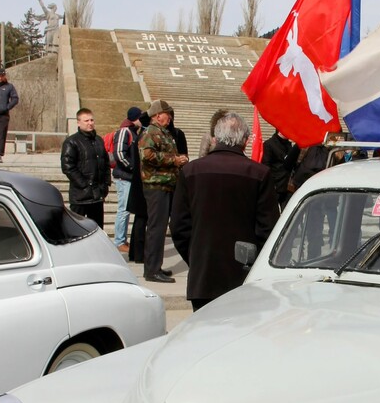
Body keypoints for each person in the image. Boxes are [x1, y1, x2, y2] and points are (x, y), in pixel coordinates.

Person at [171, 111, 279, 310]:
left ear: (216, 138)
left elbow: (179, 226)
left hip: (204, 274)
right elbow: (268, 229)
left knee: (204, 327)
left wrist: (197, 257)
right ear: (245, 141)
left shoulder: (191, 171)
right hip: (243, 274)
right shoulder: (259, 173)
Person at [139, 99, 188, 283]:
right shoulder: (150, 132)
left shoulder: (163, 133)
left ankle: (155, 266)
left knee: (160, 229)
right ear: (157, 115)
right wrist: (174, 160)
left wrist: (179, 159)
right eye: (167, 114)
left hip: (166, 184)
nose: (170, 117)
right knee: (156, 229)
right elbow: (147, 155)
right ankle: (152, 270)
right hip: (156, 186)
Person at [60, 108, 112, 226]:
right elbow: (68, 167)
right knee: (77, 229)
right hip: (80, 196)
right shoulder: (71, 142)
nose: (90, 123)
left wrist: (106, 184)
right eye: (86, 120)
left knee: (97, 228)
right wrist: (85, 184)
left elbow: (106, 163)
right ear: (78, 123)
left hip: (98, 195)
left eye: (92, 120)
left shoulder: (98, 140)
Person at [112, 106, 143, 253]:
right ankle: (119, 241)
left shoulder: (133, 132)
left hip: (129, 177)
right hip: (124, 177)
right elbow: (119, 154)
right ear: (135, 118)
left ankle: (122, 239)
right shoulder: (125, 131)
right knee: (123, 210)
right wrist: (132, 168)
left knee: (126, 209)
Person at [262, 129, 300, 211]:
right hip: (275, 185)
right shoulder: (269, 144)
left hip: (287, 186)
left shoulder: (289, 145)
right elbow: (266, 166)